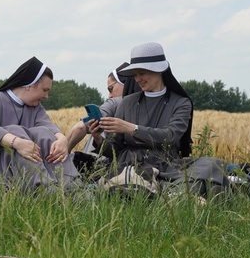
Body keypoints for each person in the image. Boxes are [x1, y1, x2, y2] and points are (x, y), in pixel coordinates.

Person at [91, 42, 228, 197]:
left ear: (159, 71)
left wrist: (131, 128)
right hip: (131, 164)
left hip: (167, 165)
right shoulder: (126, 103)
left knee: (212, 164)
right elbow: (113, 151)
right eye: (135, 74)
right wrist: (97, 137)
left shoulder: (181, 103)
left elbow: (170, 137)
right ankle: (173, 194)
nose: (137, 79)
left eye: (141, 73)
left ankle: (162, 191)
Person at [0, 56, 78, 192]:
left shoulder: (35, 108)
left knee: (44, 133)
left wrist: (62, 139)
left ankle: (73, 187)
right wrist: (17, 142)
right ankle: (43, 189)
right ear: (29, 85)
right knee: (15, 130)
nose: (46, 96)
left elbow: (48, 125)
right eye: (45, 90)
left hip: (16, 169)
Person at [66, 62, 136, 153]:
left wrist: (63, 153)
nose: (109, 95)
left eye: (111, 89)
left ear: (125, 83)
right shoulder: (145, 104)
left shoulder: (114, 103)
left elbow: (81, 127)